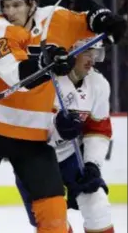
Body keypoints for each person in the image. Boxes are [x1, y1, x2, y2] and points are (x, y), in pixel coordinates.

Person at [0, 0, 126, 233]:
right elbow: (13, 72)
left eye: (17, 5)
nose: (10, 11)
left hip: (34, 137)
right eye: (6, 5)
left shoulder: (55, 17)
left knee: (53, 214)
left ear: (32, 4)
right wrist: (44, 63)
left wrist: (105, 19)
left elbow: (89, 21)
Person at [16, 39, 114, 233]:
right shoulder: (40, 81)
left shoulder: (98, 83)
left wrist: (92, 164)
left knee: (97, 204)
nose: (92, 60)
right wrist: (55, 128)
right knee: (52, 222)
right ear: (71, 53)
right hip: (34, 159)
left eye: (96, 54)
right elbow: (21, 129)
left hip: (71, 156)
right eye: (88, 53)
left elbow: (98, 129)